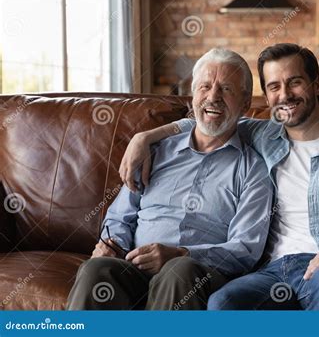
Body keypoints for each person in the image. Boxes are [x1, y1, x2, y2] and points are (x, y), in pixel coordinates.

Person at [119, 43, 319, 310]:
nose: (284, 95)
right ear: (265, 96)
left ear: (316, 86)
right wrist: (144, 138)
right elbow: (207, 120)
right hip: (275, 271)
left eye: (295, 82)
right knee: (224, 302)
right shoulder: (262, 133)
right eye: (274, 86)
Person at [66, 48, 273, 310]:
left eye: (226, 89)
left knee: (179, 270)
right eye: (205, 87)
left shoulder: (254, 170)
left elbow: (245, 248)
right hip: (135, 264)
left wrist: (181, 254)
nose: (213, 97)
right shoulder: (155, 152)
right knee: (97, 271)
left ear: (245, 103)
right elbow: (120, 217)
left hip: (196, 273)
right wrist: (113, 245)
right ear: (193, 95)